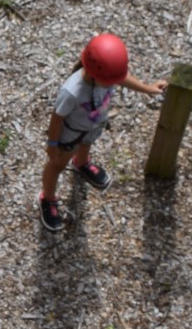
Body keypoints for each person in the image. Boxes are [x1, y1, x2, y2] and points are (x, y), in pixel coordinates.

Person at [38, 32, 169, 232]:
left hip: (93, 124)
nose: (114, 84)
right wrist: (52, 145)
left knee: (87, 143)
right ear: (93, 74)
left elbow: (122, 77)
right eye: (111, 81)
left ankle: (81, 163)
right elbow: (57, 118)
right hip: (70, 134)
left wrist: (148, 89)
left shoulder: (104, 75)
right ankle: (47, 198)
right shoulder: (72, 91)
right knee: (56, 165)